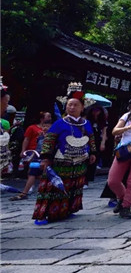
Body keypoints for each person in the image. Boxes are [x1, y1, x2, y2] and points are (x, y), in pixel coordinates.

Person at [32, 83, 96, 224]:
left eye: (75, 105)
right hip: (61, 160)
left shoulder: (86, 123)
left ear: (82, 107)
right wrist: (46, 158)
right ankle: (44, 214)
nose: (72, 108)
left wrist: (92, 153)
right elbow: (49, 140)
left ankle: (67, 210)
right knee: (54, 186)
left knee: (74, 186)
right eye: (69, 105)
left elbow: (91, 139)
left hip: (79, 161)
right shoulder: (59, 123)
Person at [11, 111, 52, 201]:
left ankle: (38, 190)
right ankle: (27, 190)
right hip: (35, 153)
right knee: (32, 171)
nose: (49, 118)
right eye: (47, 116)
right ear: (41, 119)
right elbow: (27, 139)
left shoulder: (51, 132)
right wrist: (23, 150)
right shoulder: (33, 128)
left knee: (41, 173)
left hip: (46, 156)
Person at [84, 104, 108, 183]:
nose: (96, 112)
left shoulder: (102, 121)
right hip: (87, 140)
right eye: (94, 111)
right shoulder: (87, 120)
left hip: (97, 141)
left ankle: (89, 177)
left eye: (97, 111)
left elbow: (104, 133)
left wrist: (103, 143)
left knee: (94, 159)